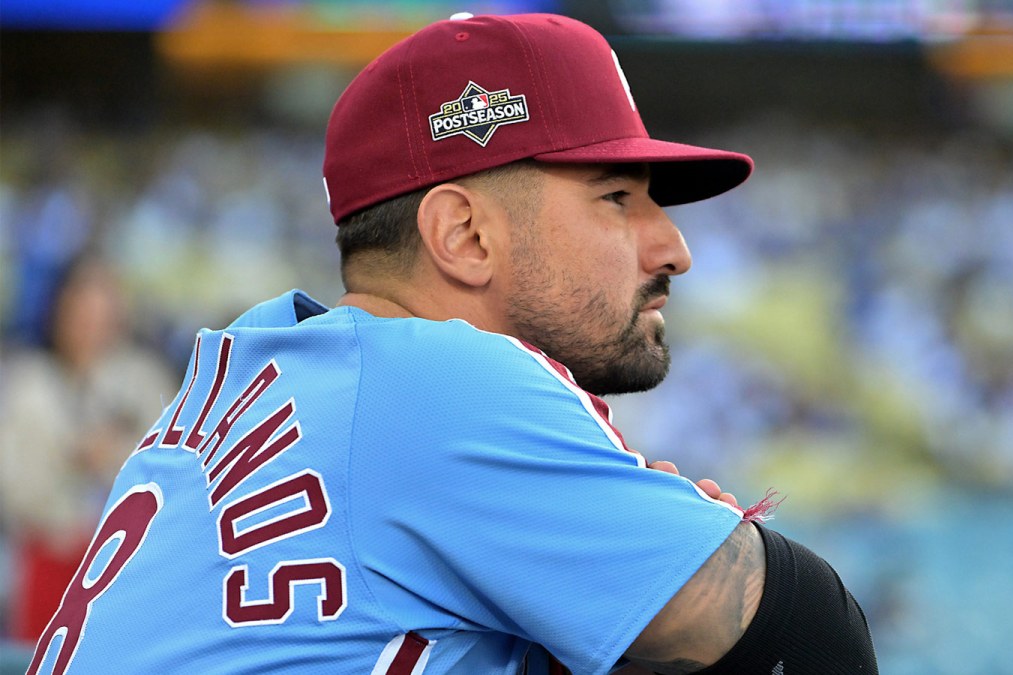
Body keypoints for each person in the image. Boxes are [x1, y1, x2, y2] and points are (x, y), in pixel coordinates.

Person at [27, 13, 876, 675]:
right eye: (617, 196)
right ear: (464, 235)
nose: (673, 247)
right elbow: (817, 641)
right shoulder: (437, 381)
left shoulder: (244, 372)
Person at [0, 252, 173, 644]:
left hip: (123, 566)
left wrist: (111, 458)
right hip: (48, 558)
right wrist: (68, 459)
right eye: (80, 306)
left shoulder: (142, 378)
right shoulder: (30, 382)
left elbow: (169, 468)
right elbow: (13, 486)